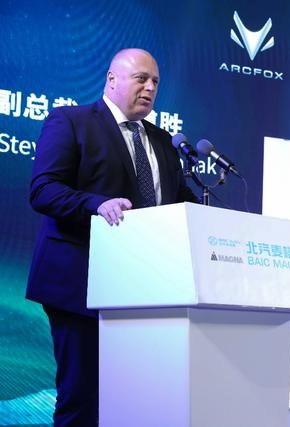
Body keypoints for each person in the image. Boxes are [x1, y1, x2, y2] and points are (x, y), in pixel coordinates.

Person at [26, 48, 198, 426]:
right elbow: (43, 190)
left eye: (155, 82)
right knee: (82, 399)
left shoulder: (163, 141)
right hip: (81, 284)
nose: (150, 88)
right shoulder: (71, 121)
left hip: (147, 289)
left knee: (135, 401)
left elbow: (179, 202)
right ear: (112, 79)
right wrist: (96, 204)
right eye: (141, 78)